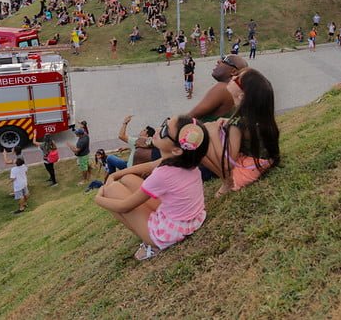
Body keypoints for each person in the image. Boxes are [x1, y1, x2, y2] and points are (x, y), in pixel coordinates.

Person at [94, 115, 210, 261]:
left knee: (111, 190)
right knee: (127, 178)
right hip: (188, 220)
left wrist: (99, 198)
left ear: (176, 150)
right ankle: (146, 236)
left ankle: (151, 244)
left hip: (167, 233)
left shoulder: (163, 174)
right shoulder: (182, 162)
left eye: (164, 131)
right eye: (164, 124)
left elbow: (124, 206)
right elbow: (149, 166)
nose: (157, 129)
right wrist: (115, 175)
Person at [200, 68, 280, 197]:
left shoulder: (238, 123)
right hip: (263, 159)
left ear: (241, 95)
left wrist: (213, 132)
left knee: (200, 147)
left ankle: (227, 183)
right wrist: (227, 122)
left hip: (247, 169)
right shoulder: (251, 115)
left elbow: (227, 162)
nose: (232, 78)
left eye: (237, 79)